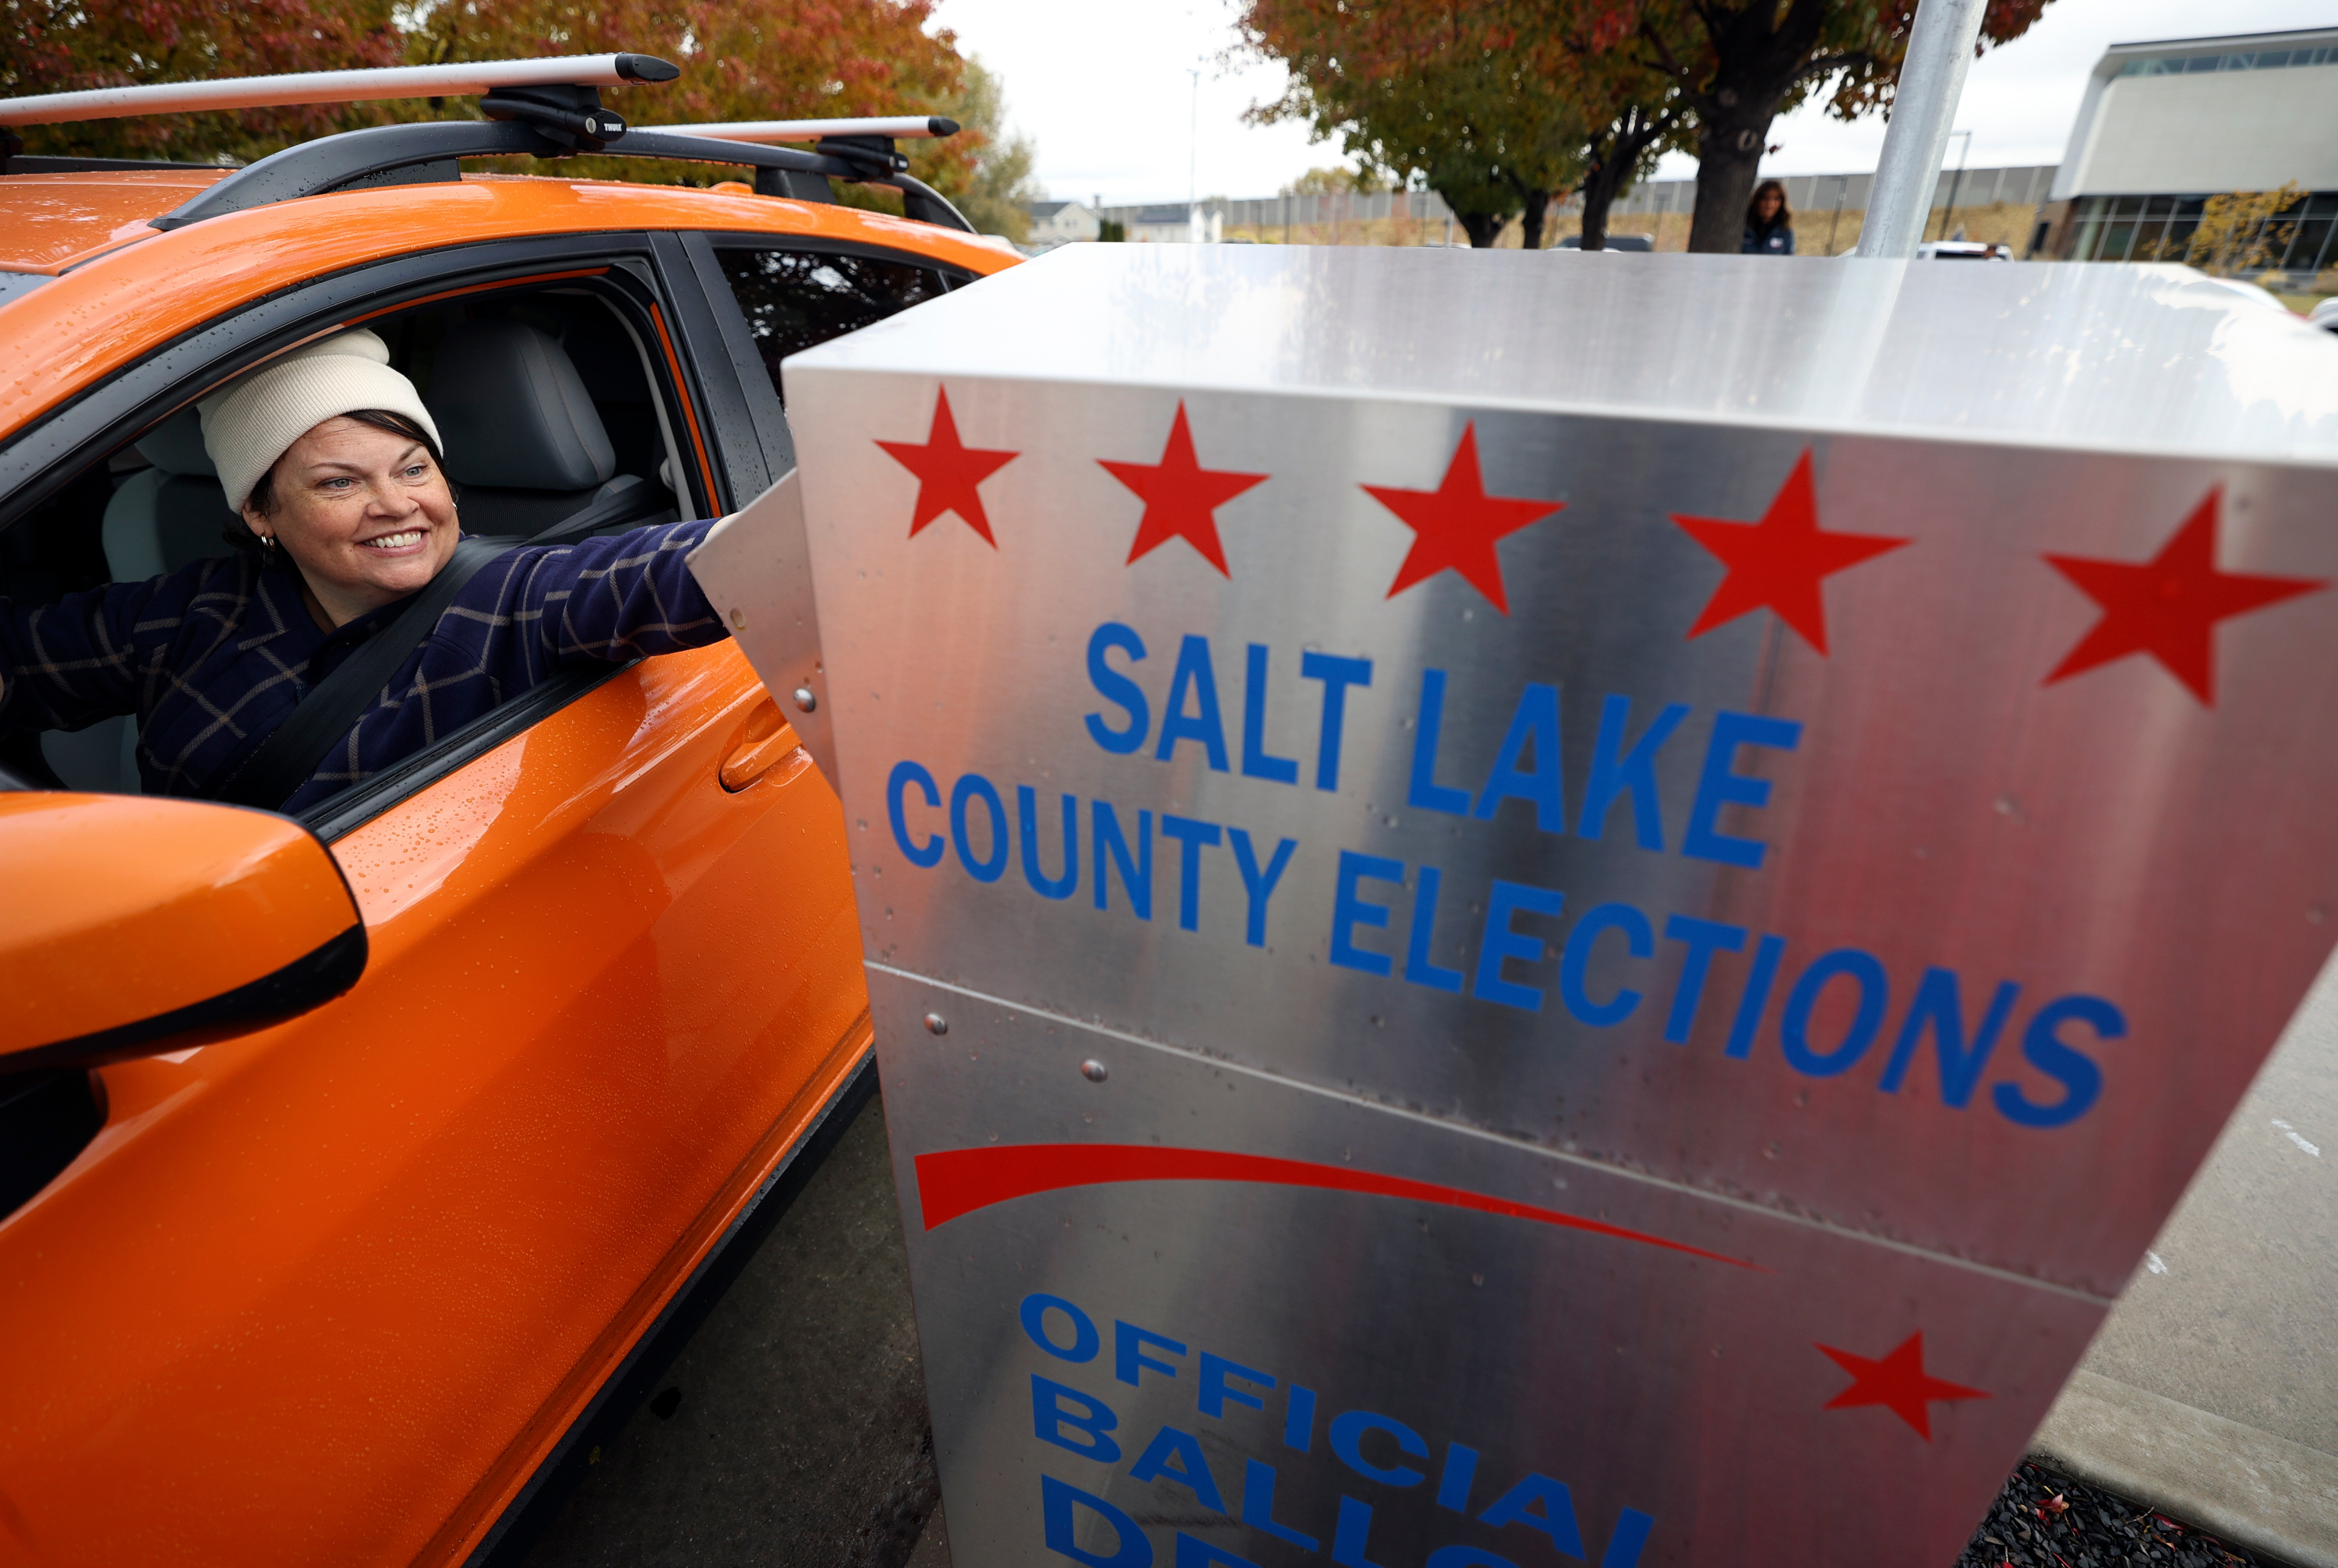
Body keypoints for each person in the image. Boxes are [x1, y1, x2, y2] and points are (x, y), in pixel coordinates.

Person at [0, 330, 727, 811]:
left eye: (414, 468)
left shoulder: (515, 597)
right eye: (340, 483)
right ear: (260, 511)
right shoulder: (189, 611)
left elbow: (682, 568)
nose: (395, 505)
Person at [1743, 180, 1795, 256]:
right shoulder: (1742, 229)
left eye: (1776, 199)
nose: (1770, 204)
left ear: (1782, 202)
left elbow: (1789, 262)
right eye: (1765, 198)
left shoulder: (1785, 233)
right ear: (1757, 200)